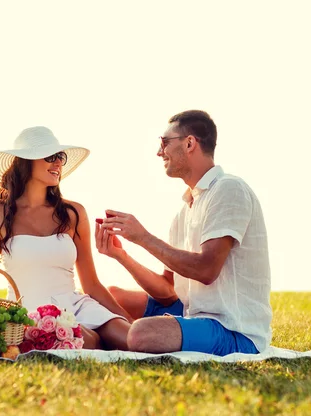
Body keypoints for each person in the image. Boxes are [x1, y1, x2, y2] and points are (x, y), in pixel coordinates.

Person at [95, 110, 272, 356]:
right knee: (111, 297)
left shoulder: (229, 189)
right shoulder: (185, 210)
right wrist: (121, 255)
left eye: (164, 142)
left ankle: (119, 337)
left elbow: (206, 270)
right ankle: (121, 335)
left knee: (140, 333)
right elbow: (168, 289)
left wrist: (143, 237)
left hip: (233, 331)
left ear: (189, 143)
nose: (159, 152)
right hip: (193, 314)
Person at [0, 126, 132, 350]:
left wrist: (130, 322)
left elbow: (91, 283)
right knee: (86, 340)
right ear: (26, 162)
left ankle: (104, 334)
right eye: (50, 156)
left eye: (61, 157)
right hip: (28, 313)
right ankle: (91, 338)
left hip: (77, 306)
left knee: (135, 339)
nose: (58, 163)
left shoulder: (73, 213)